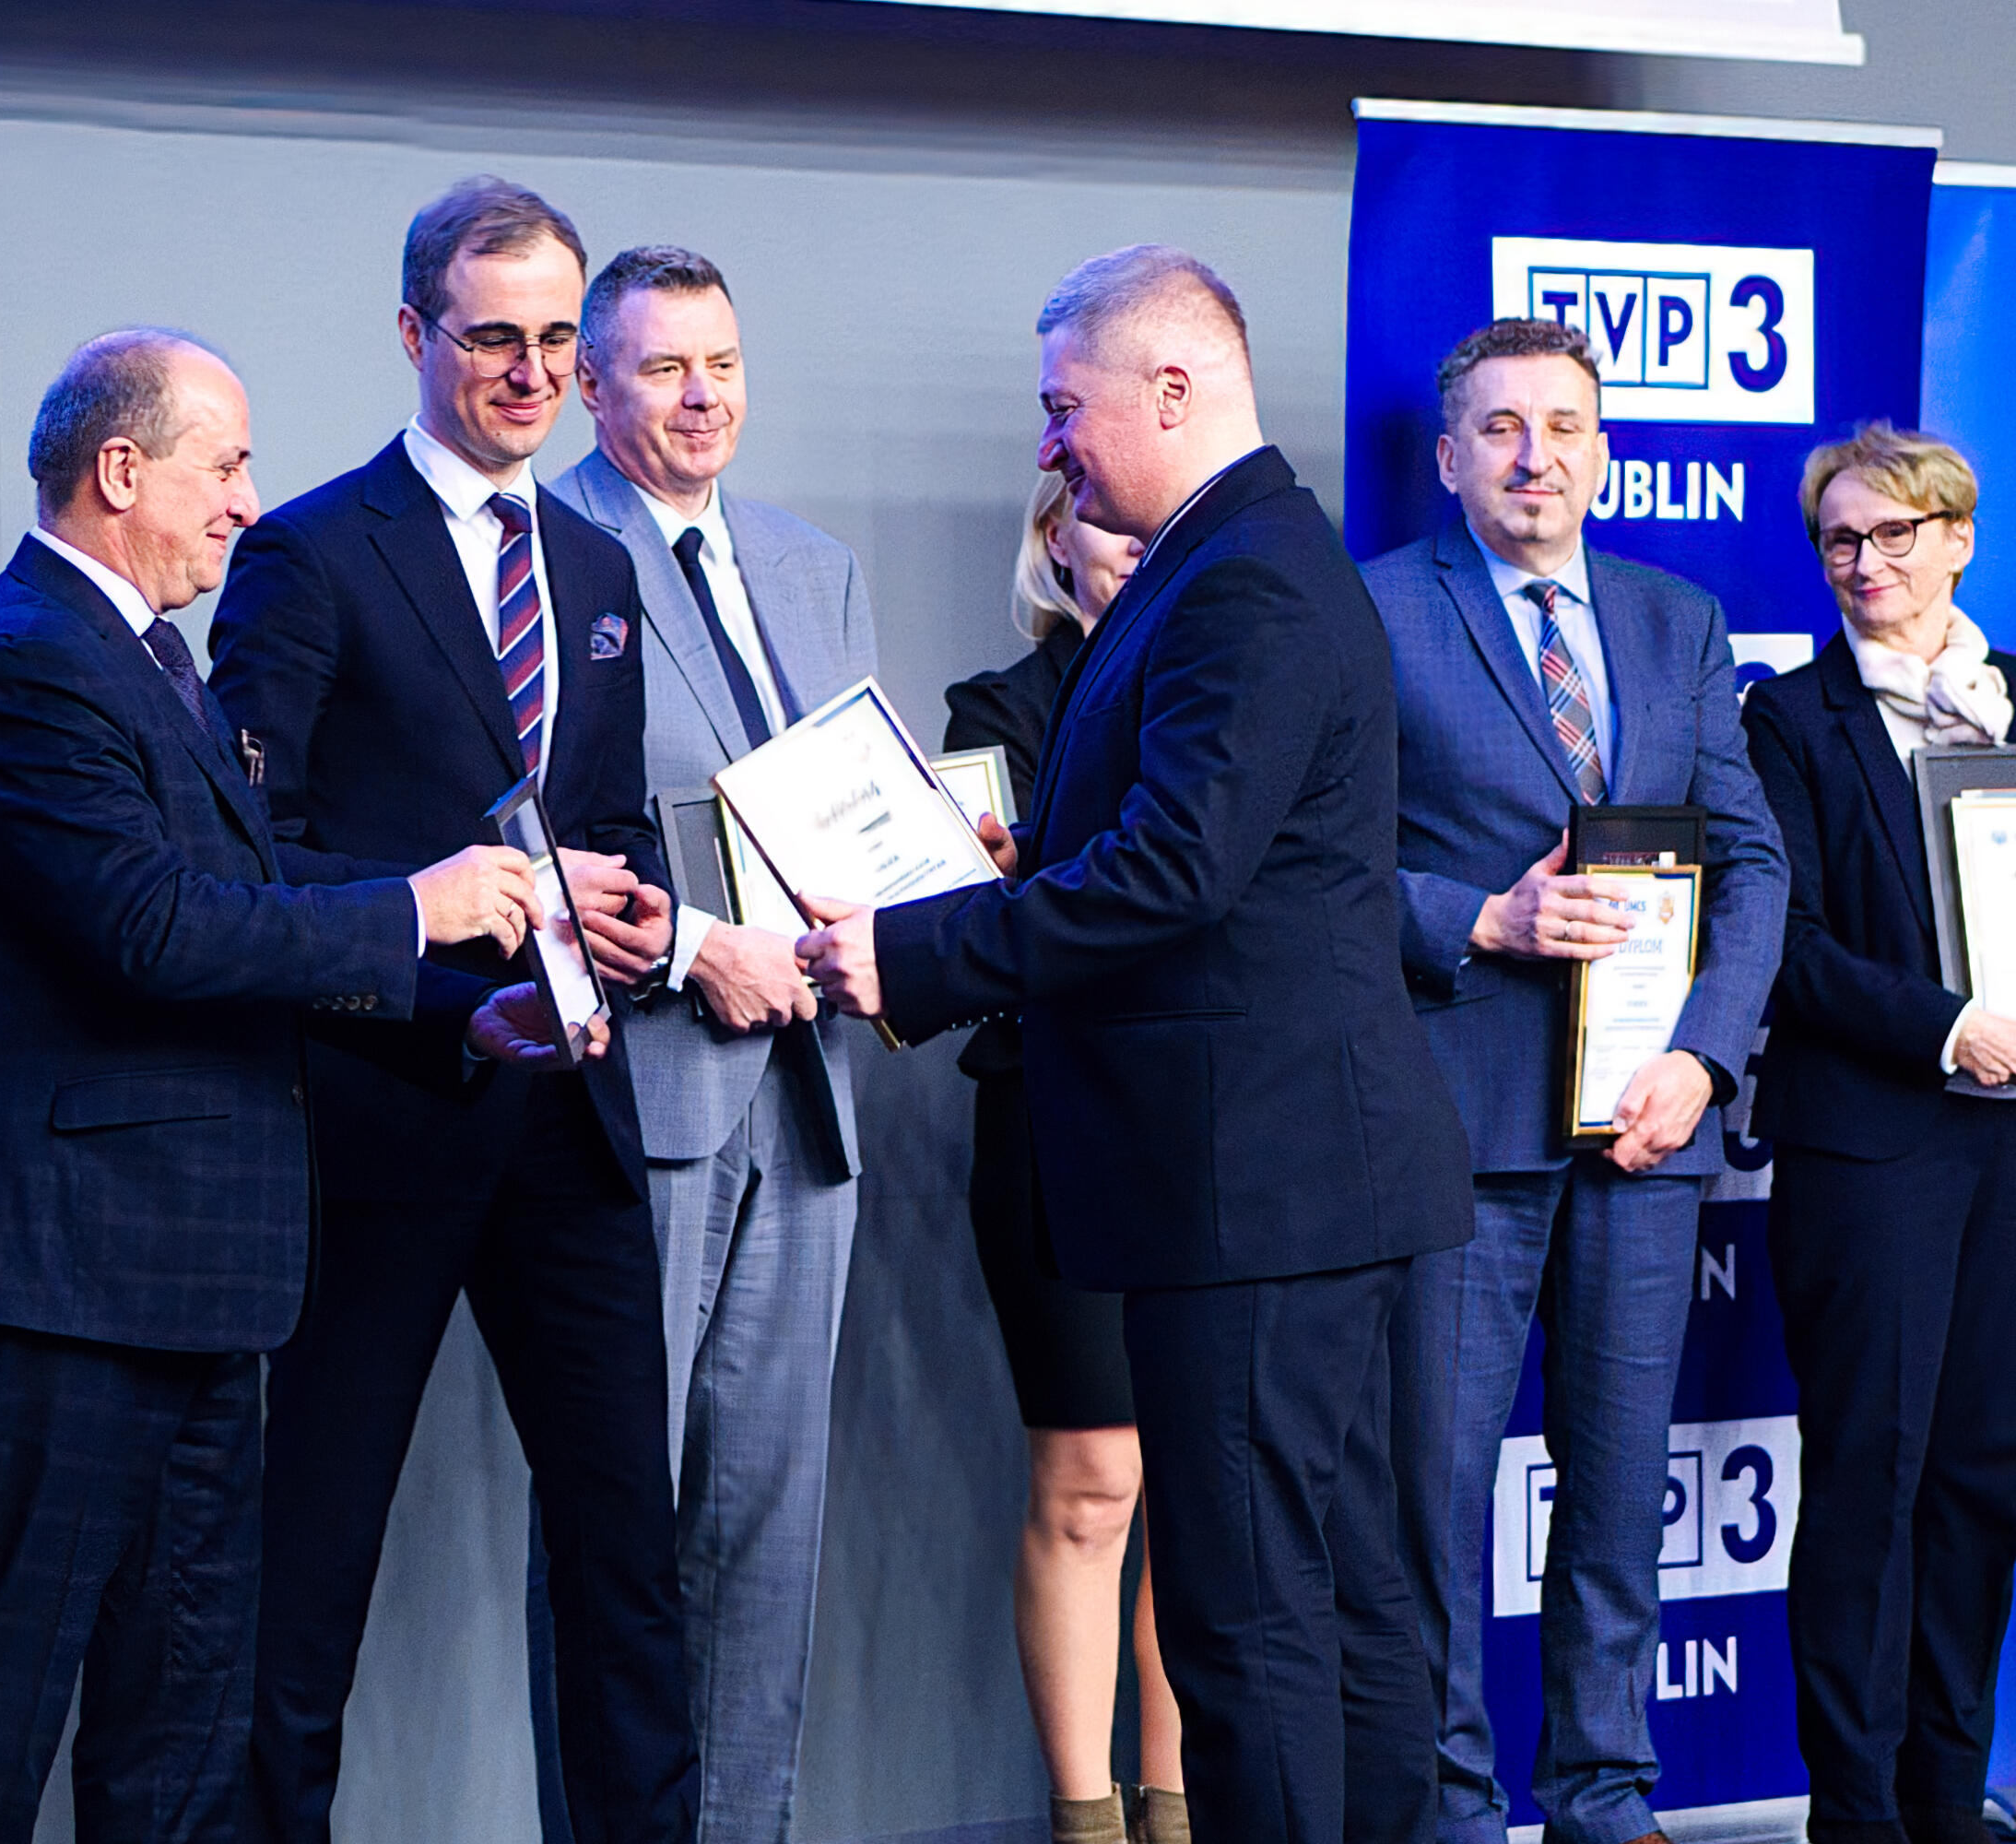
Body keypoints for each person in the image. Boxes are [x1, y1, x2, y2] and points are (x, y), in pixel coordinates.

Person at [797, 243, 1473, 1844]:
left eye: (1063, 405)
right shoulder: (1233, 560)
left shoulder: (1243, 577)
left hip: (1256, 1189)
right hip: (1283, 1179)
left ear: (1170, 389)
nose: (1050, 442)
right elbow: (1209, 851)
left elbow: (1177, 875)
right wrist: (1022, 872)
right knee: (1334, 1597)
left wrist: (908, 951)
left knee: (1250, 1625)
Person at [0, 327, 571, 1843]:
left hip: (186, 1281)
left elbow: (243, 898)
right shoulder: (23, 667)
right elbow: (155, 930)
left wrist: (459, 1019)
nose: (250, 501)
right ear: (123, 471)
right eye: (227, 466)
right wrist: (418, 907)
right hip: (56, 1287)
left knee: (185, 1723)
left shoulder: (142, 659)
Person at [208, 179, 698, 1844]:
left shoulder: (596, 559)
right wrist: (435, 960)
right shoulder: (308, 554)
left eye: (560, 340)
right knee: (310, 1567)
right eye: (495, 339)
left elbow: (601, 827)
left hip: (571, 1116)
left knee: (629, 1562)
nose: (533, 373)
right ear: (416, 334)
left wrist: (635, 914)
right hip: (382, 1120)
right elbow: (252, 855)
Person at [1362, 317, 1786, 1844]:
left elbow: (1751, 859)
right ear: (1448, 457)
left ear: (1603, 452)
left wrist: (1703, 1059)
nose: (1534, 455)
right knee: (1433, 1498)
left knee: (1617, 1490)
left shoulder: (1679, 620)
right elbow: (1318, 863)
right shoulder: (1375, 611)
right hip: (1458, 1126)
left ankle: (1605, 1798)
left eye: (1563, 426)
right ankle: (1451, 1810)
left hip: (1648, 1131)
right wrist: (1481, 917)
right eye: (1500, 427)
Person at [541, 242, 872, 1844]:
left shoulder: (814, 566)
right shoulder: (542, 551)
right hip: (643, 1097)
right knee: (618, 1539)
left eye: (722, 365)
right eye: (664, 368)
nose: (701, 398)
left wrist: (924, 887)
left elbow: (849, 808)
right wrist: (691, 948)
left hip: (810, 1098)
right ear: (591, 386)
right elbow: (528, 838)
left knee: (767, 1533)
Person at [1742, 423, 2016, 1844]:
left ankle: (1948, 1798)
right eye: (1840, 540)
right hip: (1872, 1147)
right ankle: (1855, 1816)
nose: (1864, 562)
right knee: (1872, 1477)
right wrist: (1948, 1026)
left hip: (2009, 1154)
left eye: (1894, 534)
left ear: (1957, 539)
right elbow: (1784, 948)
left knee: (1983, 1477)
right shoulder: (1790, 722)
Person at [940, 469, 1180, 1844]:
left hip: (1210, 1127)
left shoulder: (1223, 688)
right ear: (1053, 539)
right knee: (1093, 1483)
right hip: (1056, 1123)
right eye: (1109, 526)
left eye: (1159, 530)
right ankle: (1086, 1820)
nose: (1137, 550)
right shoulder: (999, 714)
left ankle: (1180, 1810)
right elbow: (1007, 924)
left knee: (1197, 1491)